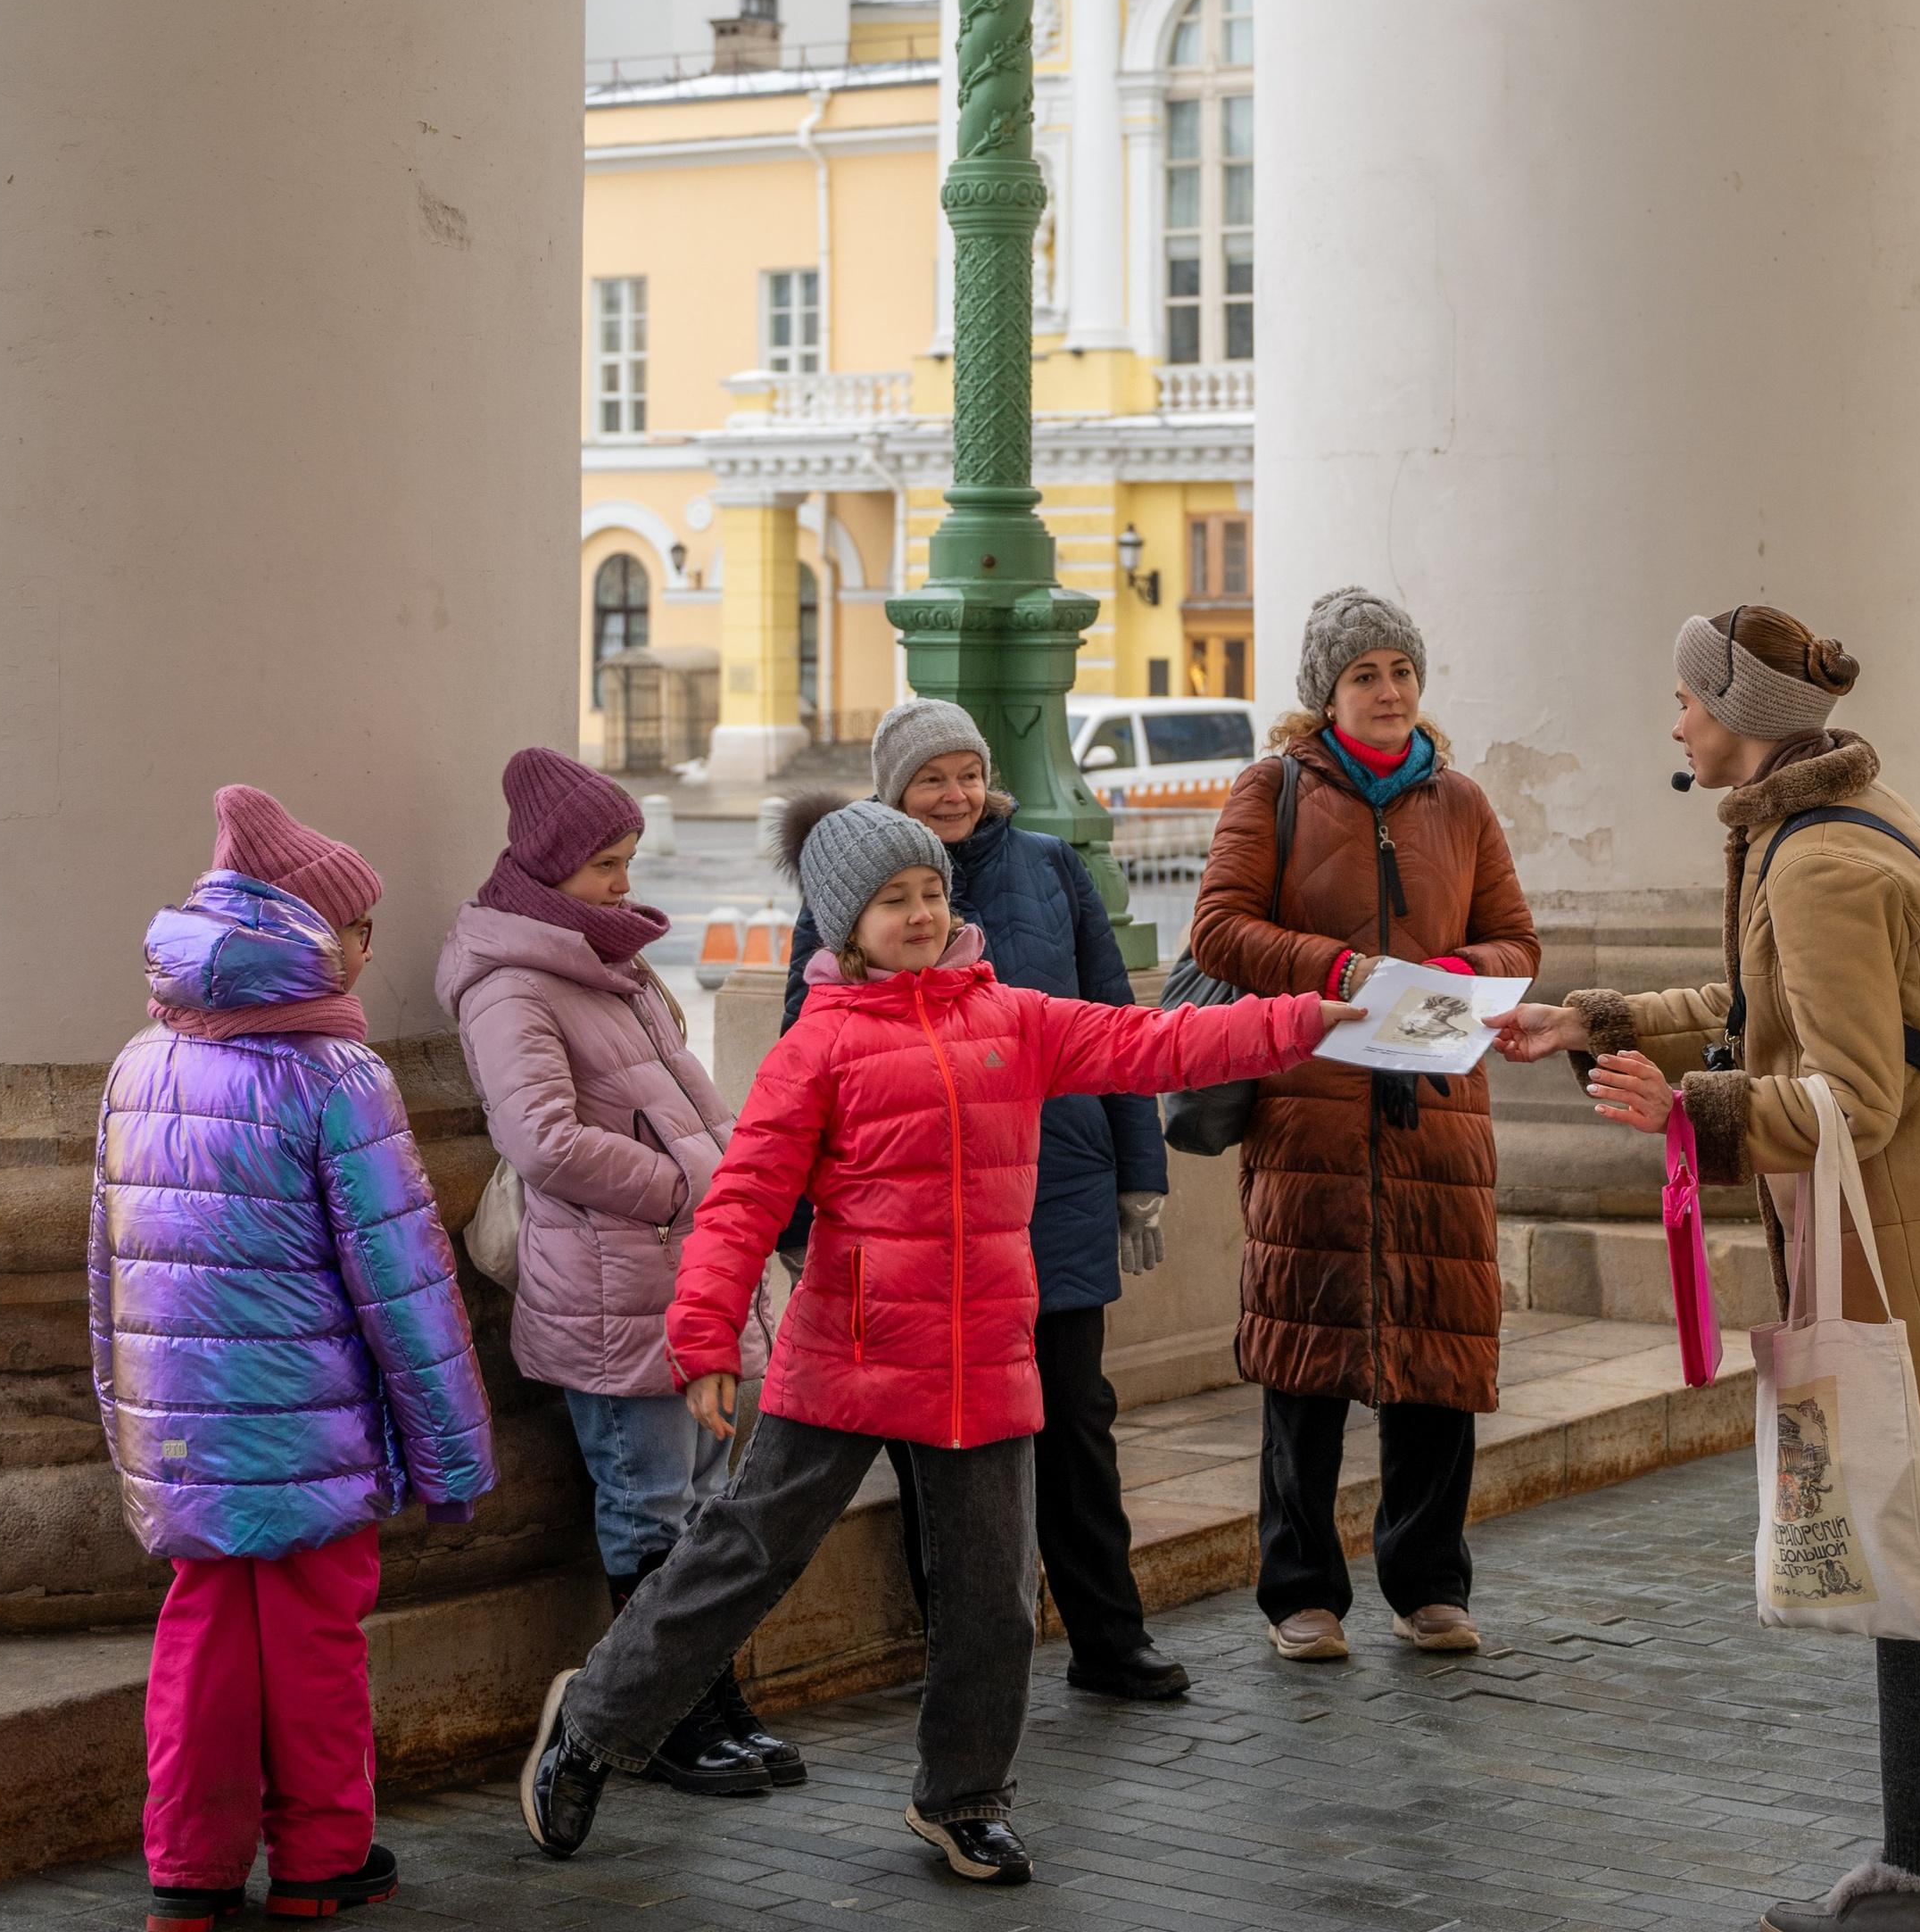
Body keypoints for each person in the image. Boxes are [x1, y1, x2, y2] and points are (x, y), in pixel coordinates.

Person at [520, 798, 1372, 1889]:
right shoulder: (817, 1043)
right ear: (846, 922)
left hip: (981, 1352)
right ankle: (591, 1724)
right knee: (740, 1557)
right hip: (847, 1349)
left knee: (991, 1593)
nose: (921, 913)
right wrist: (699, 1336)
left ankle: (963, 1797)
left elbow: (1158, 1040)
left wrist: (1305, 1016)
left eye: (931, 891)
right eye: (893, 899)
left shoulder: (1012, 1015)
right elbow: (739, 1201)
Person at [1494, 604, 1920, 1932]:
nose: (1674, 723)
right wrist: (1594, 1022)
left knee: (1917, 1571)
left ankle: (1916, 1880)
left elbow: (1851, 1094)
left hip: (1918, 1262)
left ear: (1748, 722)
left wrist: (1690, 1114)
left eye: (1687, 702)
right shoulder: (1845, 815)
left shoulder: (1814, 864)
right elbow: (1760, 1005)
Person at [91, 785, 496, 1932]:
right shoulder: (334, 1078)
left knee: (202, 1638)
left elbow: (105, 1267)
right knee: (315, 1642)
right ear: (311, 936)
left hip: (186, 1434)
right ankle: (323, 1858)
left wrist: (129, 1421)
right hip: (311, 1428)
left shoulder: (140, 1062)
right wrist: (453, 1457)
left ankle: (190, 1871)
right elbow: (405, 1285)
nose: (373, 945)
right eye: (360, 926)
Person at [778, 697, 1183, 1702]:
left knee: (1076, 1419)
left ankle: (1107, 1633)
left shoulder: (1051, 865)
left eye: (966, 772)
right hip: (925, 1212)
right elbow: (804, 1062)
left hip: (1059, 1183)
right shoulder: (851, 885)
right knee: (938, 1440)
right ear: (895, 791)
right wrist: (797, 1225)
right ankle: (954, 1650)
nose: (955, 793)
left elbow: (1115, 1018)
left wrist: (1141, 1171)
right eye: (931, 779)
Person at [1186, 585, 1540, 1665]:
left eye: (1399, 672)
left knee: (1438, 1347)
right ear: (1325, 694)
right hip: (1311, 1106)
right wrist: (1343, 970)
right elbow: (1219, 928)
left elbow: (1515, 943)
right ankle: (1299, 1589)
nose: (1387, 692)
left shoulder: (1462, 801)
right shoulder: (1273, 787)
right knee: (1306, 1352)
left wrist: (1444, 973)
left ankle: (1429, 1582)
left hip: (1434, 1107)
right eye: (1363, 676)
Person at [437, 745, 795, 1799]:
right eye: (605, 863)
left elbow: (692, 1102)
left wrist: (739, 1187)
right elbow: (544, 1140)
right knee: (652, 1507)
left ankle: (704, 1692)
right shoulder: (513, 984)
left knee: (704, 1506)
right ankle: (660, 1717)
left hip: (678, 1280)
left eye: (630, 858)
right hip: (610, 1286)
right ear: (548, 869)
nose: (624, 883)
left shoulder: (613, 965)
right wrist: (694, 1183)